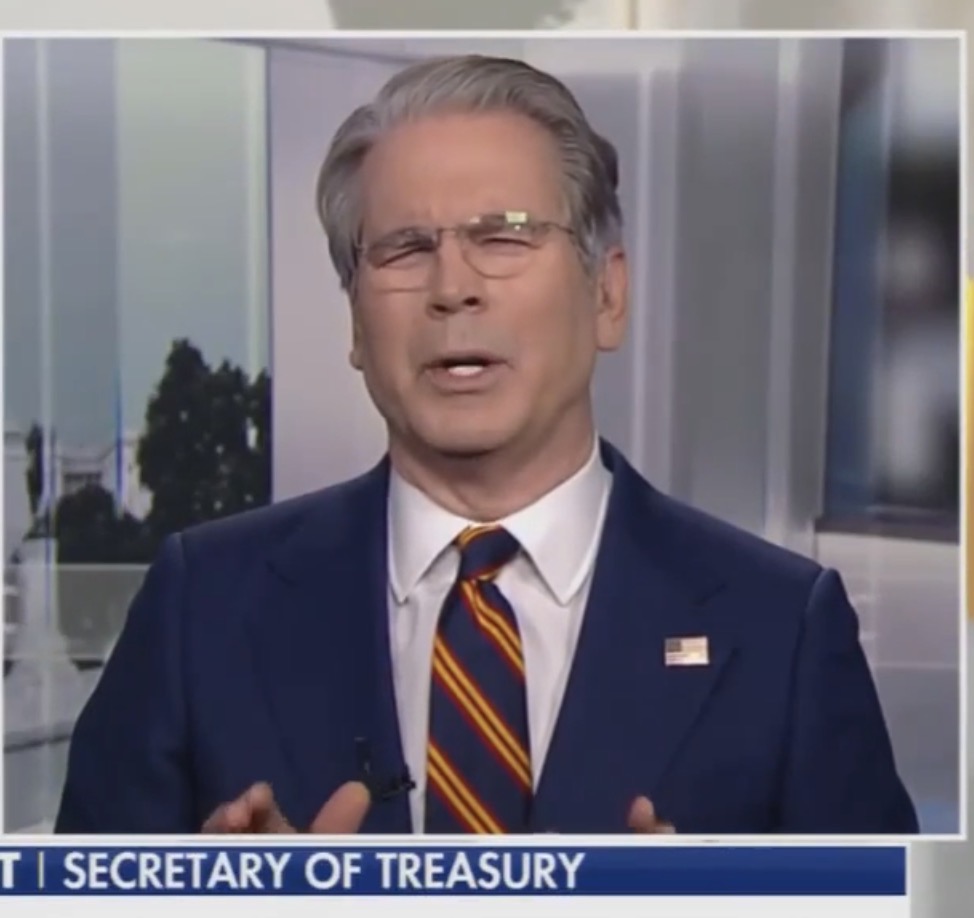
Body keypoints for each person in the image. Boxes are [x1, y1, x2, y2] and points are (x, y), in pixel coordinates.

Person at [55, 54, 918, 835]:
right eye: (404, 250)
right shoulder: (201, 608)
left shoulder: (780, 628)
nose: (453, 288)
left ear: (607, 295)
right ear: (354, 321)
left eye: (503, 236)